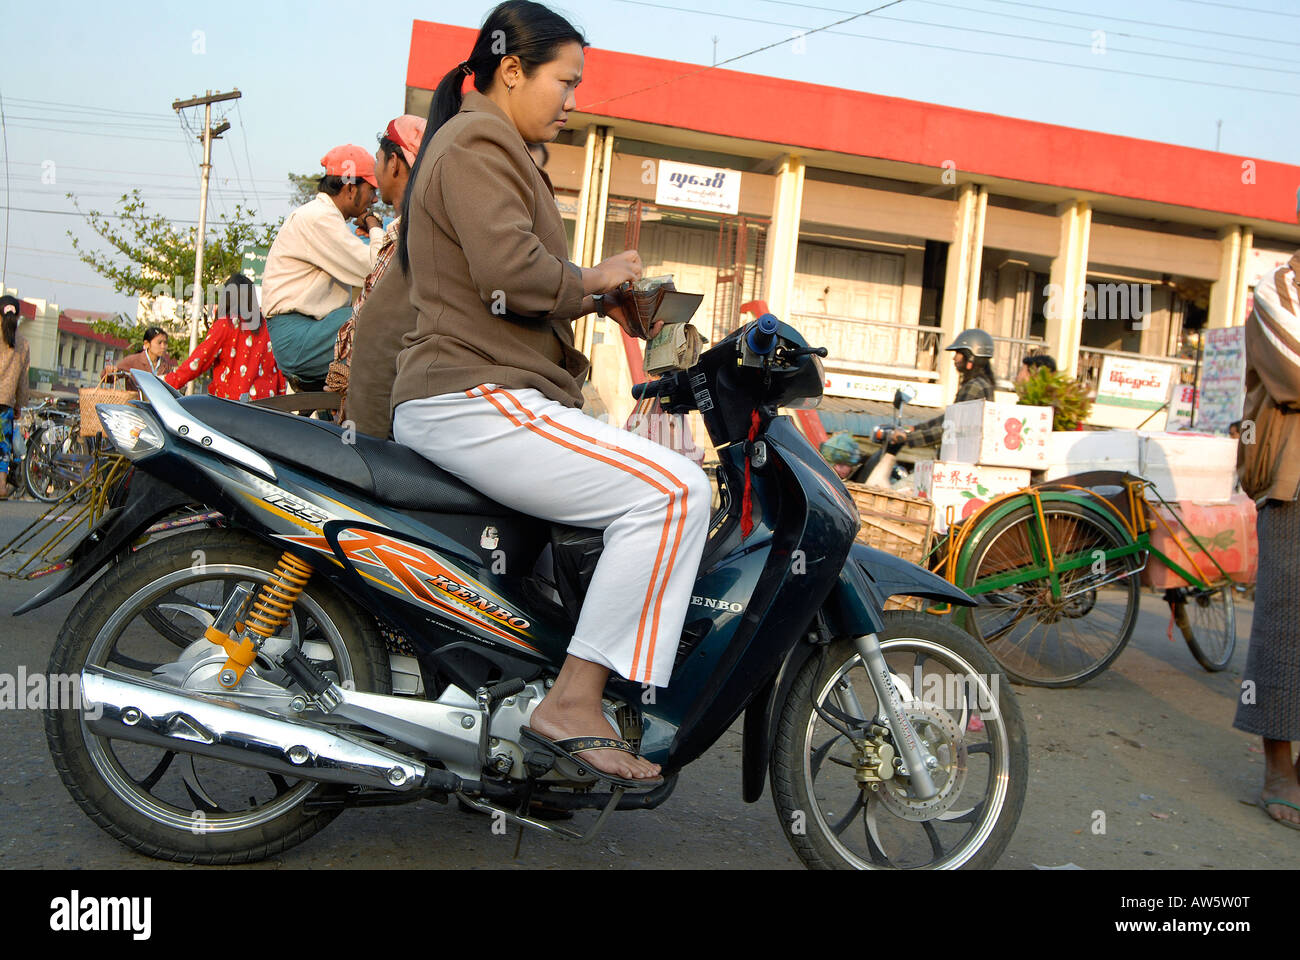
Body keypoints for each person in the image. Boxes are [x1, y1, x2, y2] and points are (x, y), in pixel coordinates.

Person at [369, 0, 711, 784]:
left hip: (481, 393)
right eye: (566, 81)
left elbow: (512, 278)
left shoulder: (484, 144)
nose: (573, 99)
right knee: (674, 492)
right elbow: (512, 271)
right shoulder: (480, 138)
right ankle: (573, 702)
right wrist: (594, 279)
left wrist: (596, 296)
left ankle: (551, 684)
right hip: (474, 395)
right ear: (512, 70)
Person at [1232, 252, 1300, 830]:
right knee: (1285, 624)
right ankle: (1278, 766)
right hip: (1292, 480)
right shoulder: (1276, 292)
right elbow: (1293, 371)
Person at [262, 144, 387, 390]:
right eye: (371, 190)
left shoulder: (324, 218)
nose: (374, 199)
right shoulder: (319, 218)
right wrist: (374, 226)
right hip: (298, 338)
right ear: (351, 189)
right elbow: (377, 268)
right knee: (379, 320)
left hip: (309, 331)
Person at [327, 115, 427, 418]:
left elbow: (374, 331)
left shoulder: (405, 235)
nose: (376, 173)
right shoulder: (412, 231)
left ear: (394, 163)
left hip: (370, 398)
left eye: (379, 159)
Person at [165, 275, 287, 401]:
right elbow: (280, 371)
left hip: (231, 408)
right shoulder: (269, 328)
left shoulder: (225, 325)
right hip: (268, 407)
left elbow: (197, 362)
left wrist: (166, 384)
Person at [894, 328, 997, 447]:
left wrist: (908, 438)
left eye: (958, 353)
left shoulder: (973, 387)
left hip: (960, 457)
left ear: (971, 357)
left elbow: (951, 428)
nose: (954, 358)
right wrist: (915, 428)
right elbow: (949, 418)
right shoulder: (983, 383)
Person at [0, 296, 31, 500]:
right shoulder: (23, 342)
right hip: (6, 402)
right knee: (3, 445)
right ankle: (1, 486)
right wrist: (20, 404)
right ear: (18, 316)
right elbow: (23, 378)